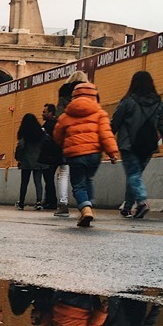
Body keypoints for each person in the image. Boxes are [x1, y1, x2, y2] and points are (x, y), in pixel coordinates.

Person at [111, 70, 163, 219]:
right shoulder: (159, 102)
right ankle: (127, 208)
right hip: (148, 145)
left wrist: (105, 142)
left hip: (128, 144)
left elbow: (114, 123)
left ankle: (142, 202)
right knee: (135, 175)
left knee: (133, 174)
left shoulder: (127, 101)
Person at [53, 80, 119, 228]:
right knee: (88, 178)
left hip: (75, 154)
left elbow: (57, 134)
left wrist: (63, 144)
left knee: (78, 184)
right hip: (94, 155)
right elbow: (106, 134)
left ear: (74, 97)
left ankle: (86, 208)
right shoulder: (100, 114)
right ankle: (90, 202)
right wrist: (112, 153)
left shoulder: (66, 115)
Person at [52, 70, 89, 217]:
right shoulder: (90, 95)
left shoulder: (64, 95)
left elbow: (59, 117)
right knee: (84, 174)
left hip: (68, 139)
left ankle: (63, 205)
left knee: (64, 172)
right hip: (86, 139)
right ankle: (87, 205)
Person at [14, 113, 48, 210]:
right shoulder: (40, 133)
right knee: (38, 182)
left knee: (24, 182)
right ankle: (39, 202)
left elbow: (20, 146)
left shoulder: (24, 133)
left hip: (26, 161)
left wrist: (18, 157)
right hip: (38, 161)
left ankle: (21, 202)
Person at [40, 104, 62, 209]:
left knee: (48, 179)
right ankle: (48, 199)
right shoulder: (57, 123)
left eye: (44, 112)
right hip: (57, 155)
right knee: (49, 179)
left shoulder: (49, 126)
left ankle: (51, 201)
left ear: (50, 113)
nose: (42, 114)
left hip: (50, 156)